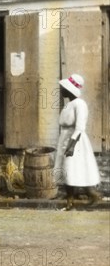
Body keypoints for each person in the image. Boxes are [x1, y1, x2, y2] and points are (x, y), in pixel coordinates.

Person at [54, 74, 101, 210]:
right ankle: (71, 200)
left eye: (63, 88)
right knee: (68, 170)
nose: (61, 90)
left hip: (76, 141)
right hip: (65, 138)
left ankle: (89, 195)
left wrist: (72, 146)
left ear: (70, 90)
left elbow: (80, 127)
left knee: (73, 169)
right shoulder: (69, 105)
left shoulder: (80, 104)